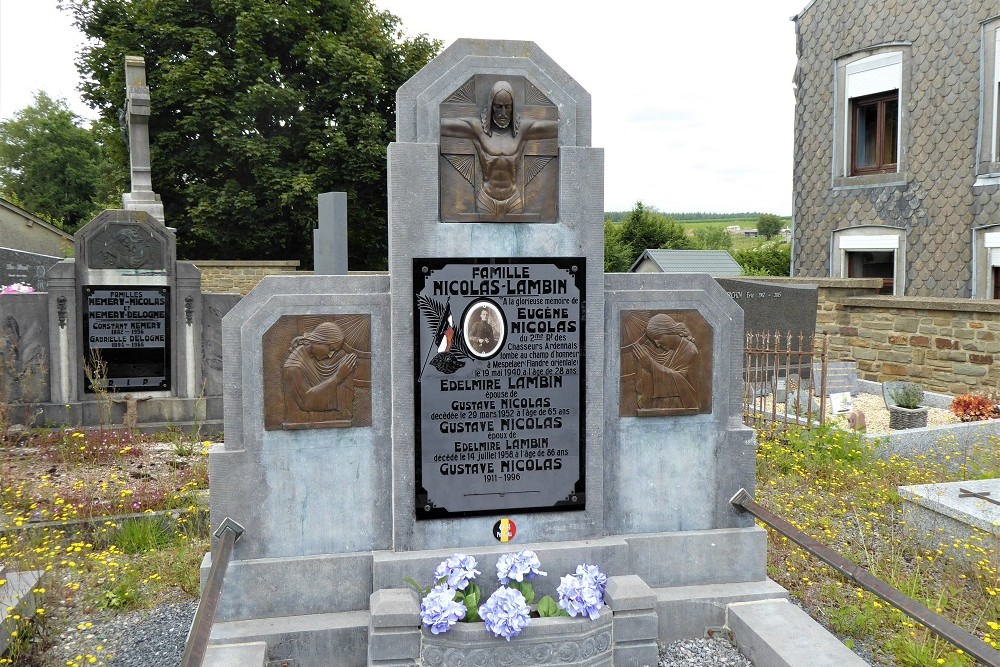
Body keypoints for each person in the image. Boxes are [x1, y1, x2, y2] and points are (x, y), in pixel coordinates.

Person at [440, 80, 558, 219]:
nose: (503, 112)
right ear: (491, 106)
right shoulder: (477, 129)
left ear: (513, 108)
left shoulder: (523, 130)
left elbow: (556, 129)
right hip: (487, 199)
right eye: (498, 106)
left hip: (513, 200)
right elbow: (442, 126)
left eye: (507, 107)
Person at [282, 322, 367, 419]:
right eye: (331, 349)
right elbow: (306, 402)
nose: (330, 355)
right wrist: (338, 377)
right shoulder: (293, 367)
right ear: (319, 340)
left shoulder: (307, 358)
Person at [630, 314, 700, 410]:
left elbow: (682, 383)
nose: (657, 344)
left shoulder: (690, 351)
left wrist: (651, 365)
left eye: (658, 337)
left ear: (669, 331)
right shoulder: (673, 352)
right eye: (653, 340)